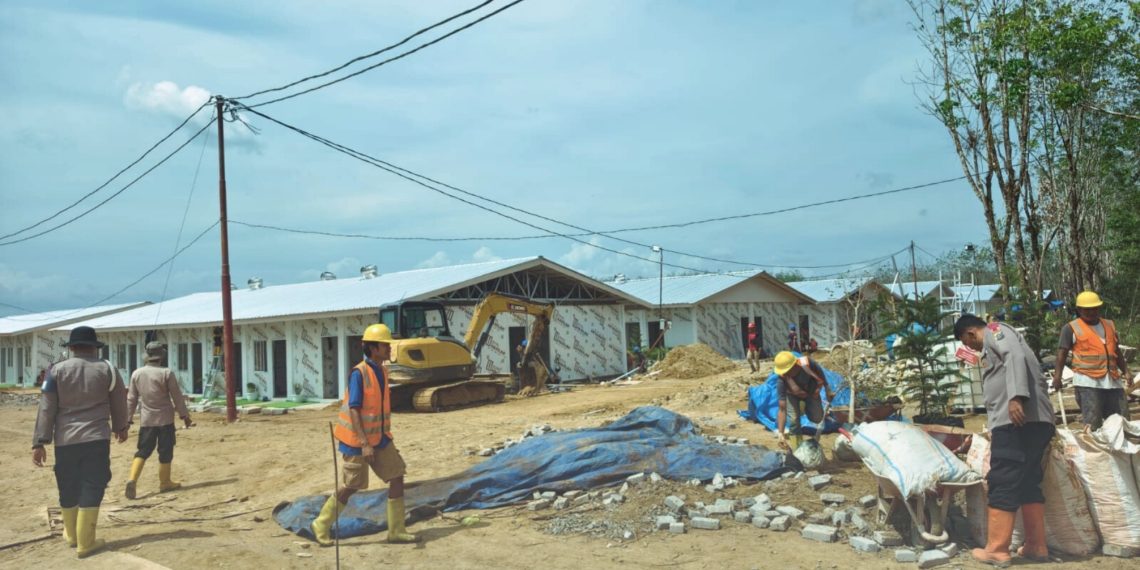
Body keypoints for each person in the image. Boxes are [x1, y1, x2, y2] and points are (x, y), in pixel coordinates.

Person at [954, 314, 1056, 566]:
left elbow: (1014, 357)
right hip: (1034, 422)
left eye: (967, 343)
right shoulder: (994, 340)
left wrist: (1016, 397)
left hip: (1016, 421)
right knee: (1028, 480)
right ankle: (1036, 546)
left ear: (970, 333)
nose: (970, 348)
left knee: (1003, 478)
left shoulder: (996, 331)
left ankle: (997, 549)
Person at [310, 324, 418, 546]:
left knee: (397, 475)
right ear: (372, 348)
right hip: (357, 441)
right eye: (384, 345)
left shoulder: (383, 371)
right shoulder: (359, 373)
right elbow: (354, 409)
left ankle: (396, 530)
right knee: (352, 485)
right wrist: (364, 443)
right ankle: (321, 523)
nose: (389, 348)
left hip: (380, 438)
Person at [32, 326, 129, 558]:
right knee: (93, 483)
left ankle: (72, 536)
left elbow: (47, 407)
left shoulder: (55, 371)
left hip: (65, 440)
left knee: (68, 484)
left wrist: (39, 442)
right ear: (95, 348)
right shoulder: (108, 369)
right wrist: (121, 427)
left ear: (72, 348)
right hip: (96, 438)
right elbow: (119, 401)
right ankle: (86, 542)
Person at [1052, 291, 1132, 431]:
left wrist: (1126, 371)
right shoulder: (1071, 328)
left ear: (1099, 308)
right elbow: (1061, 354)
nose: (1091, 312)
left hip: (1112, 381)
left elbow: (1116, 351)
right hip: (1088, 383)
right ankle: (1096, 452)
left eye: (1094, 308)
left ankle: (1121, 452)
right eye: (1087, 309)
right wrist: (1057, 377)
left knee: (1122, 421)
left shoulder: (1109, 325)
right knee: (1093, 424)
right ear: (1079, 310)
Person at [124, 342, 193, 499]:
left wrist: (127, 420)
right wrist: (185, 416)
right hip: (165, 420)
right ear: (161, 357)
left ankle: (132, 479)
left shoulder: (136, 373)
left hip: (147, 420)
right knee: (165, 451)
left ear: (147, 357)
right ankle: (165, 482)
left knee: (143, 450)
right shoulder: (166, 373)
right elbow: (176, 396)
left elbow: (131, 399)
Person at [773, 351, 835, 451]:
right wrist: (781, 433)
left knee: (817, 418)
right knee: (794, 420)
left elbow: (821, 375)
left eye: (787, 370)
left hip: (811, 392)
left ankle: (802, 408)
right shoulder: (782, 379)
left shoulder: (807, 363)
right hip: (792, 395)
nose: (785, 373)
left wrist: (828, 389)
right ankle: (798, 450)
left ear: (794, 365)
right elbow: (782, 408)